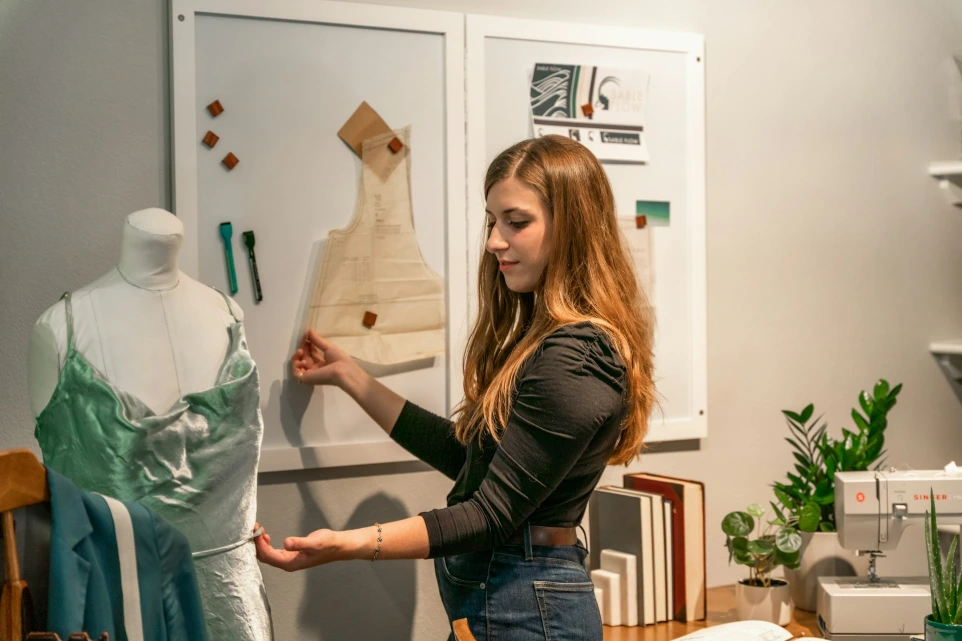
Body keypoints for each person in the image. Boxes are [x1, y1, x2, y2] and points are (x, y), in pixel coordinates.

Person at [254, 134, 655, 640]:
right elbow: (470, 458)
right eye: (492, 221)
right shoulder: (547, 341)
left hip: (529, 617)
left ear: (571, 226)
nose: (494, 241)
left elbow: (488, 514)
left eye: (517, 221)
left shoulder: (574, 359)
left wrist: (347, 545)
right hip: (503, 609)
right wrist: (351, 376)